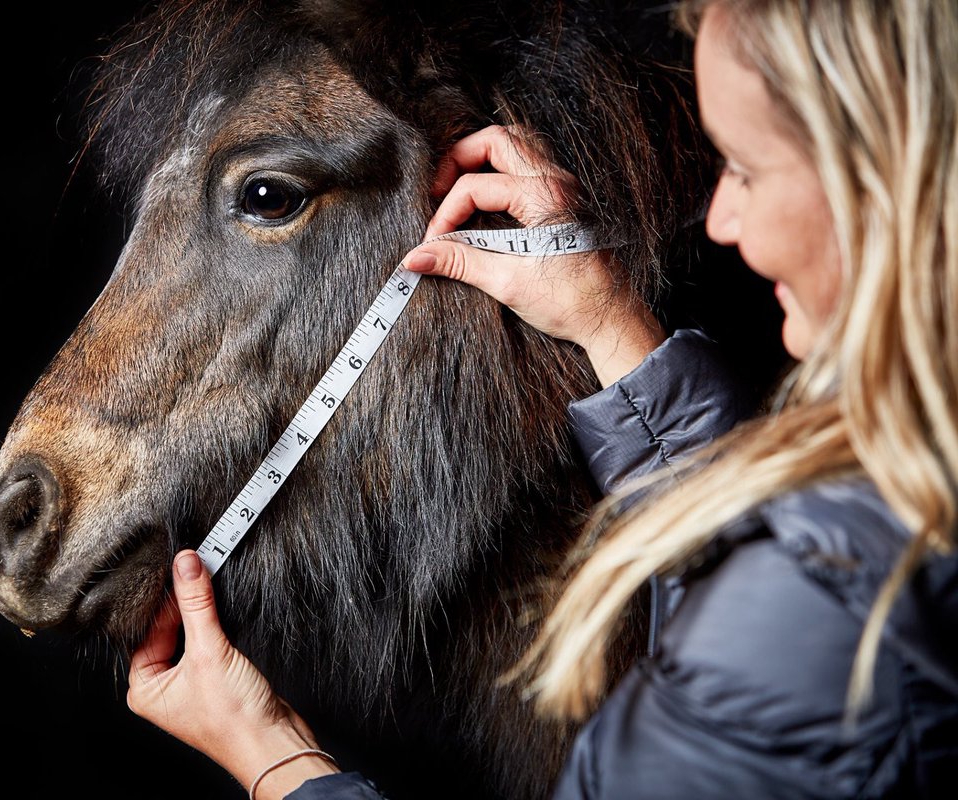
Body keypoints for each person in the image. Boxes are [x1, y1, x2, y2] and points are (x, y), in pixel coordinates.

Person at [126, 0, 958, 797]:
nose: (721, 221)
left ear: (884, 180)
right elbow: (769, 566)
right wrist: (611, 325)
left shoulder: (809, 632)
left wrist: (275, 759)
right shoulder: (900, 495)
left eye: (745, 168)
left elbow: (775, 623)